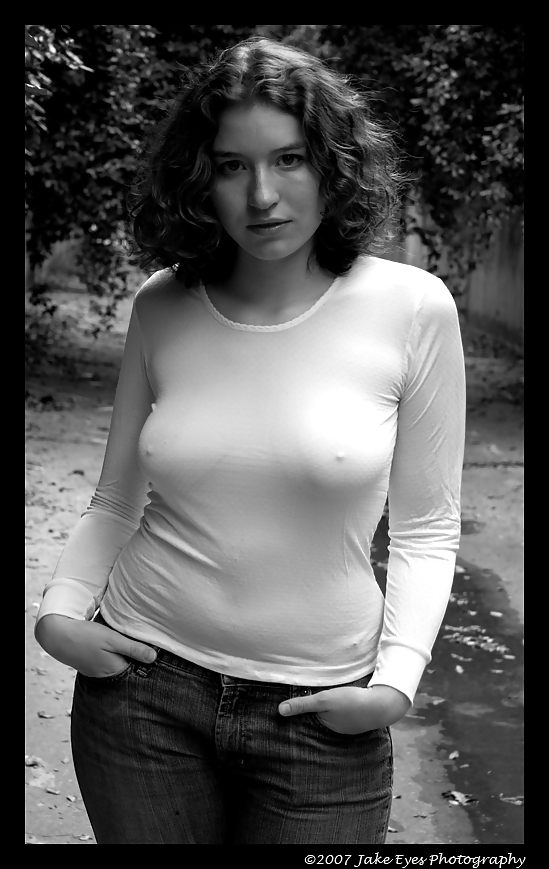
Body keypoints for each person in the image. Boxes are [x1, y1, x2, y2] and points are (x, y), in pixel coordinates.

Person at [34, 37, 466, 845]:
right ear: (200, 177)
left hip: (319, 717)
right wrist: (58, 613)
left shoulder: (412, 308)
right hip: (143, 696)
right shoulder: (163, 303)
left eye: (289, 159)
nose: (262, 195)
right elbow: (116, 497)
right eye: (232, 166)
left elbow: (426, 528)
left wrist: (396, 680)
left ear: (332, 164)